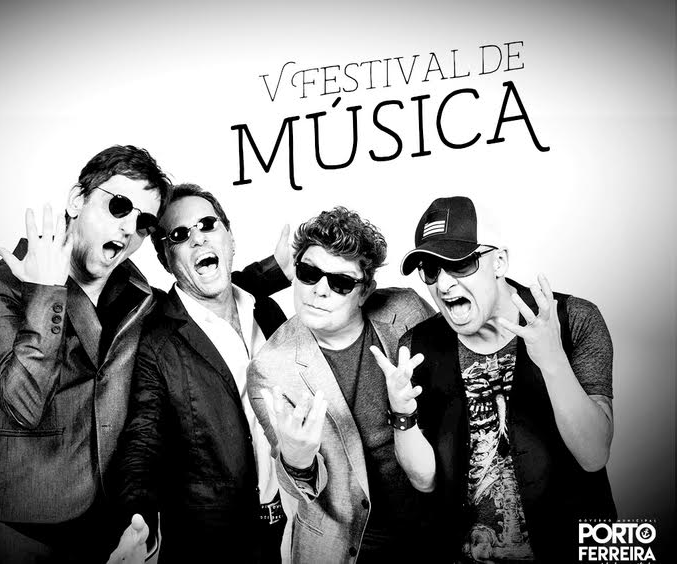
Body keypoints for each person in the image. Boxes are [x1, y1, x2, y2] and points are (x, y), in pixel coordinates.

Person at [0, 147, 289, 563]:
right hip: (21, 520)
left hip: (107, 518)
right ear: (77, 200)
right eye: (118, 206)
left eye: (143, 221)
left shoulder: (136, 294)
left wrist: (276, 272)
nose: (128, 228)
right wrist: (46, 292)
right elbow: (23, 402)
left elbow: (200, 298)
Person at [398, 196, 616, 563]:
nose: (444, 283)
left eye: (461, 263)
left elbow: (594, 455)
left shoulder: (574, 319)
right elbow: (425, 481)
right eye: (431, 269)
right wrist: (401, 414)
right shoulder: (417, 348)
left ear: (499, 261)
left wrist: (553, 361)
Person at [113, 184, 291, 563]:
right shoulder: (156, 341)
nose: (197, 239)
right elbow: (142, 441)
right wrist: (136, 518)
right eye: (180, 235)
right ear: (166, 260)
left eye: (207, 225)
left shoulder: (268, 312)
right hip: (214, 548)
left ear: (229, 237)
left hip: (293, 530)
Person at [247, 207, 436, 563]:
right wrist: (297, 458)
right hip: (344, 545)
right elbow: (302, 489)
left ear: (364, 292)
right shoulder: (270, 369)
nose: (319, 291)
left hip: (433, 525)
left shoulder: (406, 311)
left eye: (341, 283)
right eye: (309, 273)